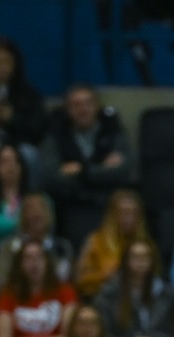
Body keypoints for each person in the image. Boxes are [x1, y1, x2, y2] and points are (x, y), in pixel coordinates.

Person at [38, 84, 135, 238]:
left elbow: (123, 171)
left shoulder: (112, 130)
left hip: (107, 204)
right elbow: (50, 176)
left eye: (88, 104)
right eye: (76, 105)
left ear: (97, 106)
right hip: (71, 206)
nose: (83, 110)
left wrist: (81, 171)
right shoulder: (57, 135)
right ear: (68, 110)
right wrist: (102, 170)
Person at [92, 237, 174, 337]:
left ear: (153, 261)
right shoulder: (108, 295)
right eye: (135, 257)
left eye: (145, 257)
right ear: (126, 261)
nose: (140, 262)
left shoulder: (168, 295)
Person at [73, 188, 150, 299]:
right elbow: (80, 279)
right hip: (102, 300)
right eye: (124, 212)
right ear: (112, 215)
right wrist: (103, 275)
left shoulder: (145, 244)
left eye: (133, 213)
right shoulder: (96, 241)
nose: (129, 218)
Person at [0, 193, 74, 293]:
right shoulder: (8, 248)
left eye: (41, 208)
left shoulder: (62, 248)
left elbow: (69, 283)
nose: (36, 213)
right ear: (22, 216)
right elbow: (0, 282)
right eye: (30, 209)